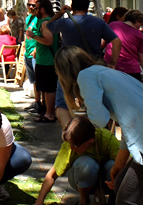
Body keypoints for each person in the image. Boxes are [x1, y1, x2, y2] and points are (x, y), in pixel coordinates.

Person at [55, 45, 143, 205]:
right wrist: (118, 164)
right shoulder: (104, 72)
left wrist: (82, 119)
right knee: (118, 185)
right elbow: (128, 125)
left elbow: (100, 120)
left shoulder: (85, 76)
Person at [46, 0, 121, 129]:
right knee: (96, 102)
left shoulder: (65, 22)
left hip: (68, 66)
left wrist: (60, 13)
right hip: (92, 66)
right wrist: (112, 63)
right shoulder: (98, 22)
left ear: (72, 7)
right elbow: (117, 41)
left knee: (62, 103)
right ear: (87, 7)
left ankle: (71, 134)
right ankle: (100, 135)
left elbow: (48, 26)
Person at [28, 116, 119, 205]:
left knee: (114, 166)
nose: (71, 148)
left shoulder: (106, 139)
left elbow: (124, 164)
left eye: (75, 146)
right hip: (82, 179)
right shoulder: (70, 147)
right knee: (86, 165)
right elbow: (52, 175)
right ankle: (83, 202)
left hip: (108, 182)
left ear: (90, 141)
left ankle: (114, 204)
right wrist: (39, 202)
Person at [26, 0, 59, 123]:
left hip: (47, 61)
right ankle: (47, 112)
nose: (35, 10)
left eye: (37, 8)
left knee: (49, 89)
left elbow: (49, 41)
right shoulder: (46, 20)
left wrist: (33, 36)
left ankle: (50, 114)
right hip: (43, 60)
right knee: (44, 88)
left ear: (43, 9)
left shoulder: (46, 23)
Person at [104, 10, 143, 81]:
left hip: (110, 66)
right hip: (131, 70)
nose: (140, 26)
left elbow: (103, 41)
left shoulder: (113, 25)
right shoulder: (139, 35)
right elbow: (141, 58)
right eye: (140, 23)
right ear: (136, 21)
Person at [23, 0, 43, 114]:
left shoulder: (40, 19)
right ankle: (37, 102)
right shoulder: (29, 18)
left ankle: (42, 104)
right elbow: (28, 34)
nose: (31, 7)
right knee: (34, 81)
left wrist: (36, 50)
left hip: (36, 54)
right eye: (29, 5)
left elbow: (42, 35)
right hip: (28, 53)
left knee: (39, 80)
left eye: (33, 5)